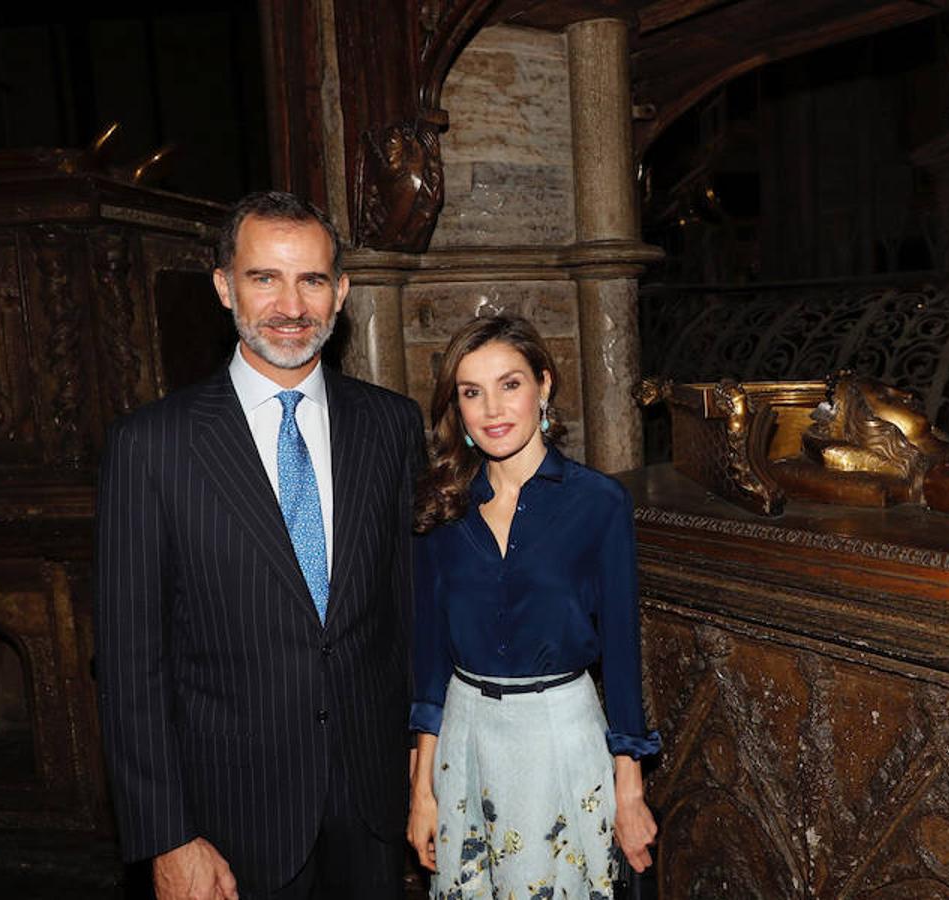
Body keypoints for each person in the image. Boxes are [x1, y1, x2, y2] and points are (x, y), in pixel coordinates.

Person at [95, 191, 425, 899]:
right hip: (230, 819)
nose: (290, 305)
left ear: (341, 291)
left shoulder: (391, 426)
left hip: (373, 805)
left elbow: (407, 613)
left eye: (311, 279)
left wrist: (423, 760)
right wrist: (166, 835)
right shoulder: (151, 445)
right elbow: (130, 664)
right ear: (223, 286)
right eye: (263, 278)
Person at [407, 314, 660, 898]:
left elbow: (622, 654)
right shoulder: (441, 507)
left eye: (510, 384)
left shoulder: (599, 503)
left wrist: (631, 790)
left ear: (544, 385)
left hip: (560, 736)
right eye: (472, 392)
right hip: (466, 739)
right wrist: (422, 790)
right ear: (458, 408)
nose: (492, 408)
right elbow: (429, 664)